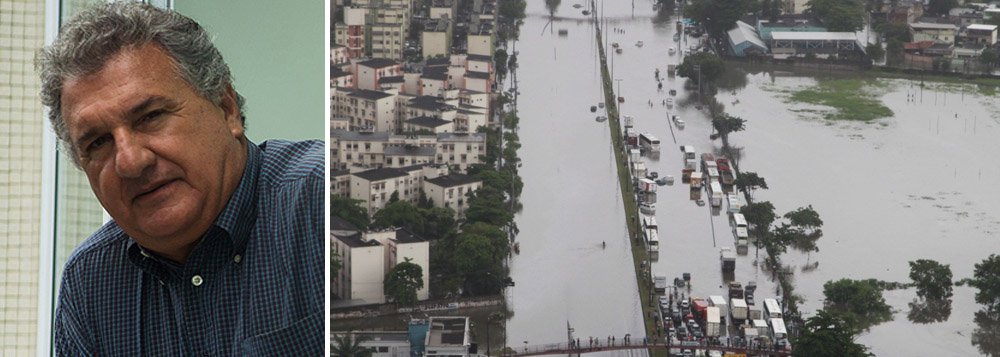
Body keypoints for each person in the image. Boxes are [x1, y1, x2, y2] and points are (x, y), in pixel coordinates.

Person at [37, 3, 323, 355]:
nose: (129, 161)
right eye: (98, 142)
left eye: (151, 117)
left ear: (226, 107)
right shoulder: (91, 282)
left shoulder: (327, 205)